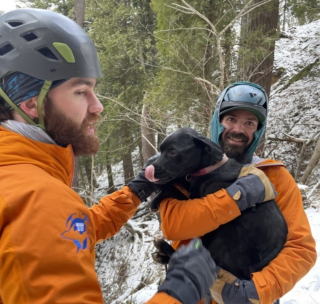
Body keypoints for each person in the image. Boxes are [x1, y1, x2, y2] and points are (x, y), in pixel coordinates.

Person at [0, 8, 267, 304]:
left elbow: (73, 228)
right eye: (80, 91)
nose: (97, 106)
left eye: (94, 90)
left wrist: (135, 191)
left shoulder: (17, 182)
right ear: (30, 104)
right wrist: (181, 291)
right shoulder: (38, 198)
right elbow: (51, 219)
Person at [152, 82, 317, 304]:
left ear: (257, 131)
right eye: (231, 119)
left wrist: (256, 291)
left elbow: (301, 248)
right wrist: (237, 197)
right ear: (217, 121)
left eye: (249, 123)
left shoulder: (274, 176)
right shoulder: (185, 172)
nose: (239, 130)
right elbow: (173, 225)